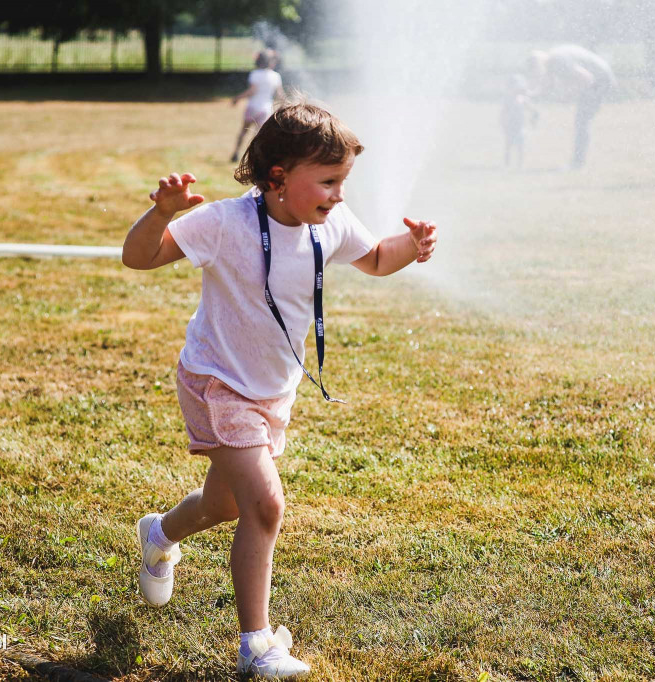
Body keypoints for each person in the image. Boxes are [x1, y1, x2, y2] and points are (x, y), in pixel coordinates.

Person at [121, 102, 438, 679]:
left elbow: (373, 259)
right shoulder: (223, 223)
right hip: (218, 384)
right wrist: (160, 215)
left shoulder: (330, 223)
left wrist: (410, 248)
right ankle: (256, 646)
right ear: (278, 178)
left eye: (343, 181)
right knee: (266, 506)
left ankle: (160, 532)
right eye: (328, 181)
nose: (339, 194)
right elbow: (138, 258)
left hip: (271, 393)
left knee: (225, 506)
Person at [526, 44, 615, 169]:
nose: (539, 74)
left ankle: (577, 163)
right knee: (581, 121)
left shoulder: (556, 61)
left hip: (600, 80)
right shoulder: (552, 59)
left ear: (539, 65)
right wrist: (530, 95)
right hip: (600, 76)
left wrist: (571, 95)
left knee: (581, 122)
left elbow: (587, 78)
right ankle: (578, 162)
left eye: (537, 71)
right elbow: (547, 85)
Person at [230, 49, 284, 163]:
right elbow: (280, 94)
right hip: (265, 109)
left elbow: (252, 91)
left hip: (253, 107)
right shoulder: (275, 76)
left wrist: (237, 98)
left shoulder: (255, 74)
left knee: (243, 131)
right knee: (260, 136)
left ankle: (236, 153)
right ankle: (257, 158)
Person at [500, 74, 536, 169]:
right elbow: (503, 112)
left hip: (520, 126)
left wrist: (534, 114)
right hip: (510, 126)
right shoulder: (507, 99)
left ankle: (520, 164)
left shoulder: (522, 98)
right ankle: (506, 164)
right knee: (508, 145)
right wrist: (503, 123)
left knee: (521, 146)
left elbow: (531, 108)